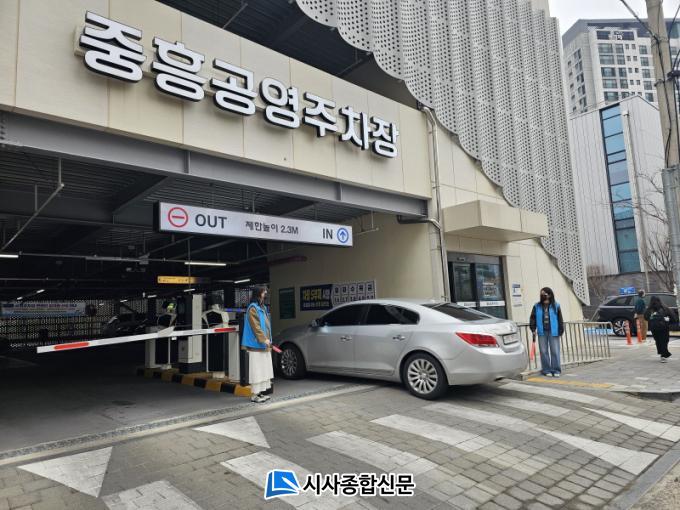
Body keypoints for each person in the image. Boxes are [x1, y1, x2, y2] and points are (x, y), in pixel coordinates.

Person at [241, 286, 274, 403]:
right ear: (258, 294)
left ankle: (260, 393)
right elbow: (256, 327)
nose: (265, 294)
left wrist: (267, 340)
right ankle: (254, 395)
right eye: (264, 292)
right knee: (257, 370)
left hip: (264, 344)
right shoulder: (253, 308)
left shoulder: (262, 307)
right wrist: (264, 339)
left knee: (263, 369)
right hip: (256, 345)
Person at [529, 287, 565, 377]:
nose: (543, 295)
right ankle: (546, 370)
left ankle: (556, 370)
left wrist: (561, 330)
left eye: (544, 294)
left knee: (555, 351)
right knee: (543, 351)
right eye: (541, 294)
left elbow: (560, 319)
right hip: (542, 331)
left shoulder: (556, 305)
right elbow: (532, 318)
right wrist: (533, 329)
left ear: (549, 294)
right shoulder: (536, 306)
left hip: (554, 331)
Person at [644, 296, 676, 362]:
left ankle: (662, 353)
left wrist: (651, 320)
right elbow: (673, 318)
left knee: (658, 341)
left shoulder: (649, 309)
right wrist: (668, 322)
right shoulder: (665, 308)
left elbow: (646, 317)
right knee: (664, 341)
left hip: (654, 328)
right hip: (664, 328)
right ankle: (663, 355)